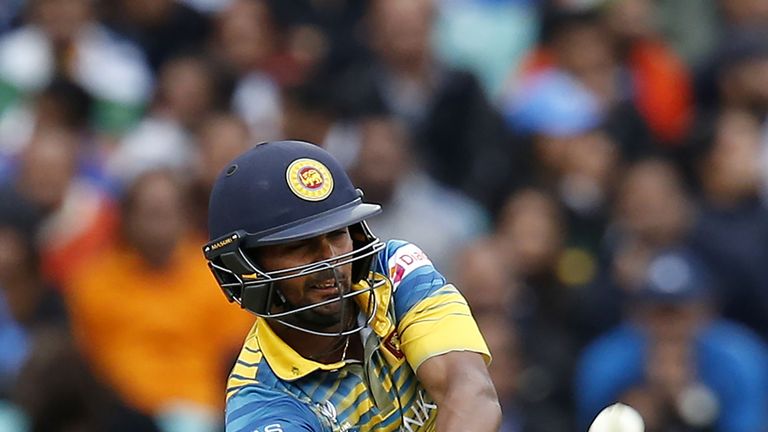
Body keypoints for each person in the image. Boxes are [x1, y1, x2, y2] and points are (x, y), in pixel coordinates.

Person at [203, 140, 501, 432]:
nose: (330, 259)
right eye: (298, 246)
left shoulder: (393, 270)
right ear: (241, 268)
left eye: (337, 234)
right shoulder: (259, 400)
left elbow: (471, 393)